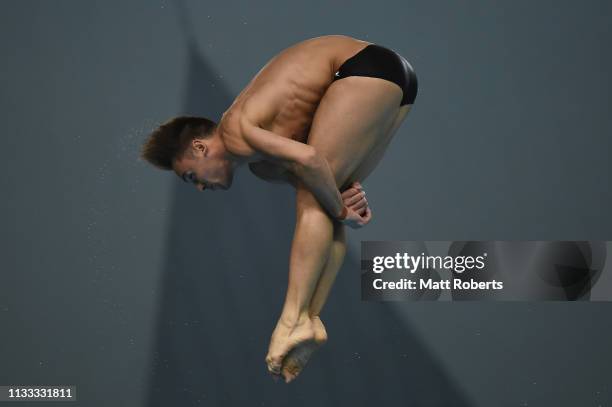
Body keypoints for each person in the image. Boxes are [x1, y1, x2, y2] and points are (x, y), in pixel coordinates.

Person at [140, 34, 418, 383]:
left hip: (364, 68)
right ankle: (310, 318)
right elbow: (328, 195)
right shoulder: (263, 166)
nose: (199, 187)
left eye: (191, 176)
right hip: (399, 82)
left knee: (313, 198)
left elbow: (312, 159)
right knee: (317, 198)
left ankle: (291, 320)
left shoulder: (236, 132)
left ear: (199, 147)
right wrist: (345, 206)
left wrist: (340, 209)